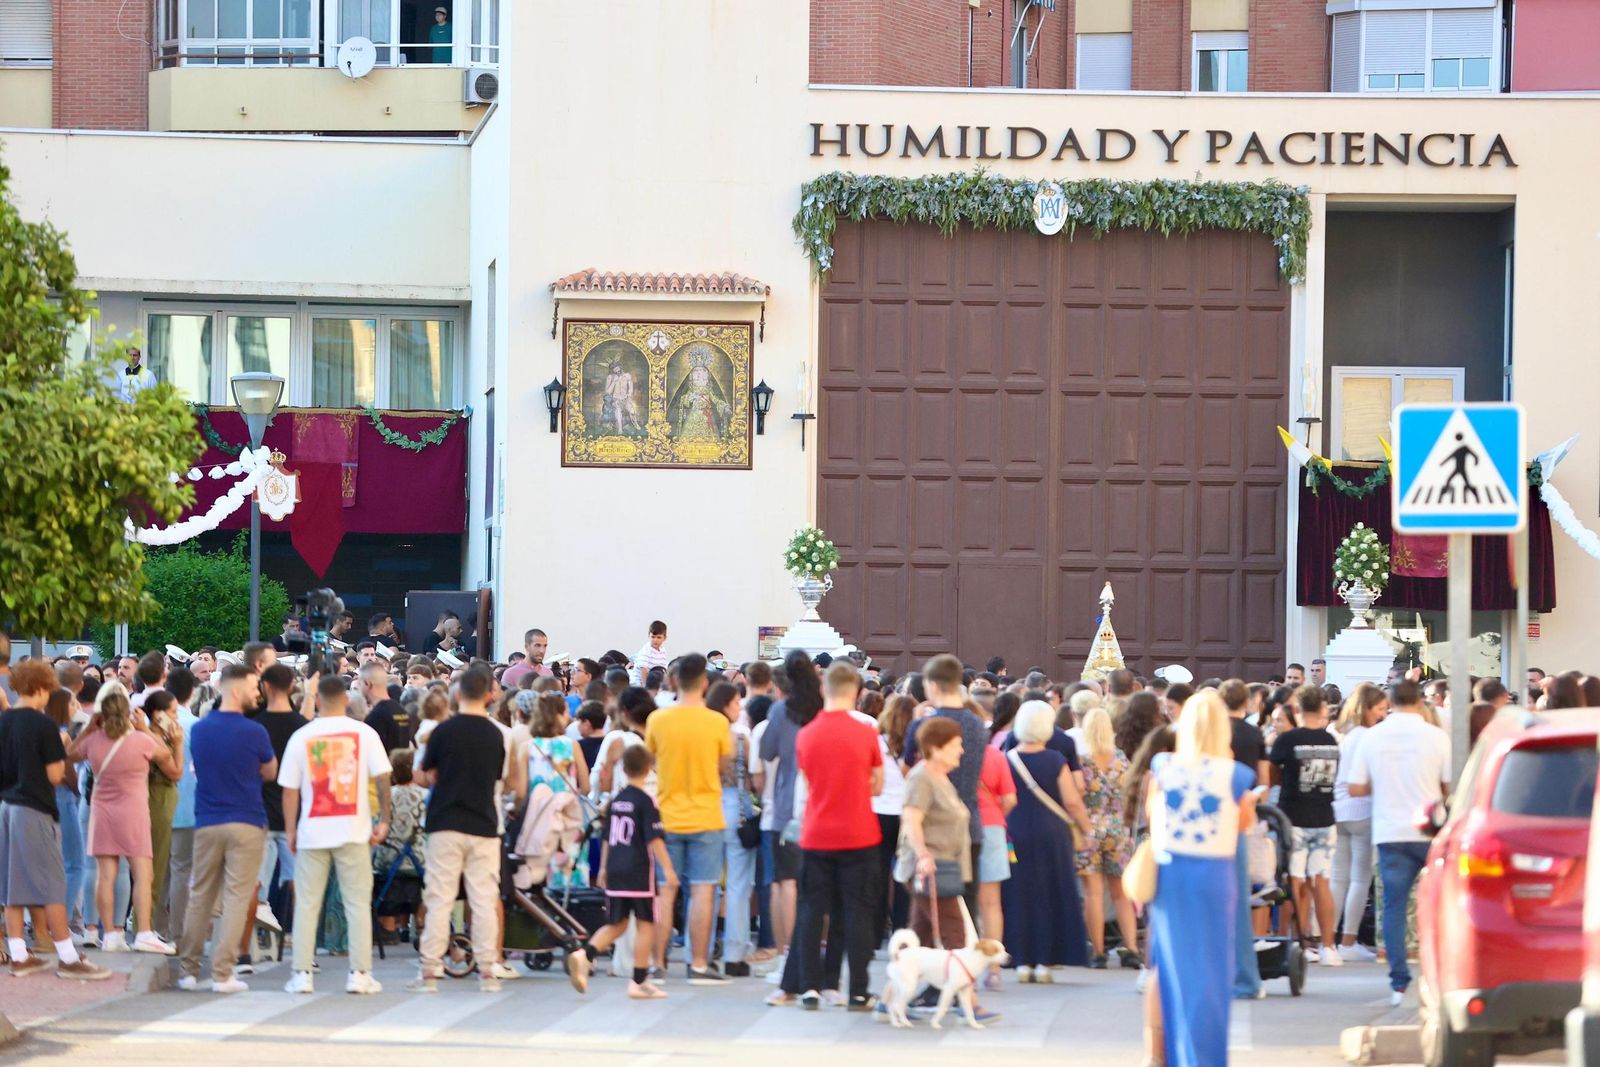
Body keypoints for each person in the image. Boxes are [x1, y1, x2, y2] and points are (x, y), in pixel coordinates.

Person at [1145, 691, 1259, 1067]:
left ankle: (1163, 1054)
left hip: (1171, 876)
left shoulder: (1163, 766)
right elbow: (1243, 824)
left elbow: (1152, 816)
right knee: (1211, 970)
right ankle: (1206, 1057)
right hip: (1214, 876)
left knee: (1171, 965)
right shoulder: (1237, 775)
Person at [280, 675, 392, 995]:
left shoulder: (302, 736)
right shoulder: (364, 733)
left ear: (317, 701)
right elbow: (383, 777)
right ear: (346, 698)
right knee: (356, 902)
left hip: (313, 830)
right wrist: (383, 818)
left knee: (308, 903)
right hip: (354, 829)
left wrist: (290, 829)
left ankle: (302, 972)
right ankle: (359, 972)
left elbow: (289, 790)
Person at [1, 661, 112, 979]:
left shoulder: (3, 721)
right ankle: (67, 956)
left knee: (12, 885)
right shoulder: (45, 726)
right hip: (34, 808)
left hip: (6, 806)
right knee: (51, 883)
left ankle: (19, 954)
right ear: (39, 688)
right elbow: (53, 774)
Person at [411, 666, 517, 992]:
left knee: (440, 897)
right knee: (483, 899)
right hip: (484, 822)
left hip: (445, 822)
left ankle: (430, 971)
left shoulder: (443, 731)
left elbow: (425, 776)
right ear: (489, 695)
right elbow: (506, 780)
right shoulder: (498, 733)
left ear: (457, 694)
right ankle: (487, 969)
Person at [1347, 680, 1451, 1006]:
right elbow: (1448, 786)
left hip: (1390, 831)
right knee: (1439, 905)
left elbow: (1355, 788)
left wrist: (1385, 784)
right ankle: (1441, 975)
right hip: (1430, 831)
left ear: (1390, 702)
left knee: (1393, 906)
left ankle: (1399, 982)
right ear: (1420, 702)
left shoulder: (1373, 737)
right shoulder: (1437, 737)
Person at [177, 665, 279, 992]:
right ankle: (223, 972)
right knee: (237, 896)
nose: (257, 693)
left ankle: (189, 970)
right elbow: (270, 771)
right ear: (236, 690)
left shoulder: (202, 729)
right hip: (246, 820)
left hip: (207, 821)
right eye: (252, 687)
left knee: (201, 895)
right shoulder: (255, 732)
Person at [790, 662, 882, 1010]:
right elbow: (878, 784)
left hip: (816, 832)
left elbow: (807, 778)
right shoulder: (866, 733)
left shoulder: (806, 734)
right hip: (859, 832)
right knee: (858, 912)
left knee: (812, 910)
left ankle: (809, 987)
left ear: (824, 690)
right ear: (856, 692)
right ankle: (858, 989)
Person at [70, 681, 181, 955]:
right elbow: (172, 765)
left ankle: (109, 934)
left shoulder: (94, 741)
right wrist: (147, 730)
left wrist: (88, 729)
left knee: (105, 875)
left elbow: (69, 755)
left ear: (101, 713)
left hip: (101, 811)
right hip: (133, 811)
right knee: (142, 874)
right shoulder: (142, 741)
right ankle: (143, 932)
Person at [644, 653, 730, 984]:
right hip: (707, 814)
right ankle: (697, 964)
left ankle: (658, 963)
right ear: (705, 683)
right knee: (703, 891)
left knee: (665, 891)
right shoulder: (718, 722)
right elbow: (723, 768)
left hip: (666, 815)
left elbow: (651, 761)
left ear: (675, 681)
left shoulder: (657, 720)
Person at [566, 744, 677, 999]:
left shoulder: (617, 801)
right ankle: (638, 981)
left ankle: (585, 954)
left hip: (615, 867)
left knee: (617, 922)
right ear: (649, 769)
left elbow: (606, 836)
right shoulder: (646, 802)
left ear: (624, 769)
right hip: (638, 869)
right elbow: (655, 839)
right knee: (646, 923)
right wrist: (669, 870)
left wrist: (604, 866)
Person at [1003, 700, 1091, 980]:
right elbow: (1073, 802)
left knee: (1017, 895)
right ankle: (1044, 962)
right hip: (1052, 834)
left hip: (1014, 833)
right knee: (1050, 894)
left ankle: (1020, 960)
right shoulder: (1056, 760)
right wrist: (1087, 830)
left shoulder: (1007, 759)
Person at [1270, 684, 1342, 966]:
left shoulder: (1288, 740)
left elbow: (1273, 772)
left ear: (1297, 709)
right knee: (1321, 881)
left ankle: (1297, 942)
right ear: (1323, 709)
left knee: (1295, 882)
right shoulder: (1330, 741)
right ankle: (1328, 945)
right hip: (1324, 816)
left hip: (1294, 816)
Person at [1073, 705, 1137, 970]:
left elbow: (1076, 795)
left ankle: (1098, 951)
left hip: (1089, 827)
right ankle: (1131, 947)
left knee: (1093, 894)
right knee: (1122, 893)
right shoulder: (1121, 758)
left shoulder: (1082, 761)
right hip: (1117, 827)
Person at [1330, 682, 1387, 962]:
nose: (1383, 714)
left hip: (1339, 809)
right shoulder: (1370, 736)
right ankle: (1349, 940)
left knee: (1338, 877)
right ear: (1368, 709)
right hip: (1363, 809)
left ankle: (1327, 937)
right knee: (1360, 879)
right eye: (1379, 709)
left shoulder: (1346, 734)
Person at [249, 664, 305, 935]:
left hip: (261, 811)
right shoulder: (303, 727)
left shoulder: (256, 725)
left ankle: (253, 940)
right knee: (299, 882)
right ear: (292, 686)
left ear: (265, 686)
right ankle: (301, 938)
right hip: (295, 814)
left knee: (256, 883)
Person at [707, 681, 757, 976]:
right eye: (737, 703)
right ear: (726, 705)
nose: (740, 708)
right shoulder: (740, 739)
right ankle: (734, 953)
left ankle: (700, 947)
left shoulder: (705, 737)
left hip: (708, 810)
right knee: (739, 885)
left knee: (705, 884)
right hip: (737, 811)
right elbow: (752, 779)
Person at [526, 691, 590, 887]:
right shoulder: (571, 745)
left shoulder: (528, 747)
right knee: (568, 880)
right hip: (567, 820)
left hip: (538, 820)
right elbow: (585, 786)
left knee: (537, 878)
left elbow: (521, 791)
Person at [871, 693, 913, 944]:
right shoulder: (915, 743)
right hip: (906, 813)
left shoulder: (876, 742)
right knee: (903, 874)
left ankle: (875, 933)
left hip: (878, 811)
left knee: (877, 875)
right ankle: (901, 930)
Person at [359, 662, 412, 753]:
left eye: (360, 684)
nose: (359, 688)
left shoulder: (376, 716)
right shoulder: (401, 710)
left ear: (367, 684)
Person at [632, 621, 670, 687]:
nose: (655, 640)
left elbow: (663, 668)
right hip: (640, 682)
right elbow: (643, 670)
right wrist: (645, 686)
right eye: (653, 637)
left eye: (659, 637)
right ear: (649, 636)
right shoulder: (646, 650)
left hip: (654, 680)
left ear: (665, 638)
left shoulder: (663, 650)